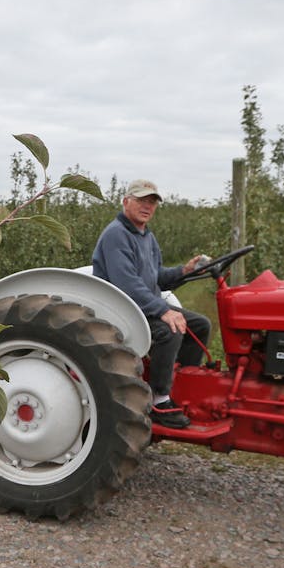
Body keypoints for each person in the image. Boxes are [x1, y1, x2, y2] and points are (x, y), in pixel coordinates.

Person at [91, 179, 210, 429]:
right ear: (126, 202)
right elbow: (127, 285)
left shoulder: (147, 236)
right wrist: (163, 310)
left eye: (152, 202)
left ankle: (180, 387)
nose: (147, 206)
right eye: (141, 200)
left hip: (140, 305)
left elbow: (155, 277)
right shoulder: (116, 235)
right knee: (170, 330)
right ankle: (158, 400)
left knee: (200, 325)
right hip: (120, 309)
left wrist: (184, 271)